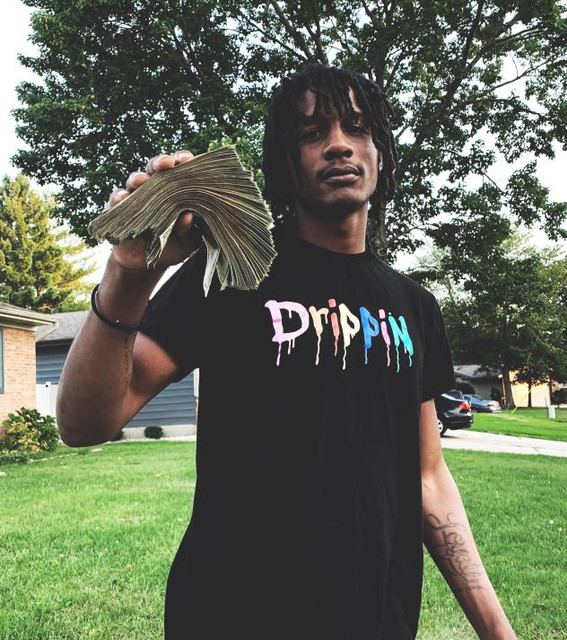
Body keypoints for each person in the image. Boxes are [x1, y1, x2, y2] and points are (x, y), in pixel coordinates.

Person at [57, 64, 516, 640]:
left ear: (380, 153)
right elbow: (84, 423)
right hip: (231, 616)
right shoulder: (229, 275)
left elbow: (427, 476)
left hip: (376, 619)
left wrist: (497, 631)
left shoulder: (414, 305)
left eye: (357, 127)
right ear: (285, 162)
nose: (339, 145)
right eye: (312, 133)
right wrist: (128, 275)